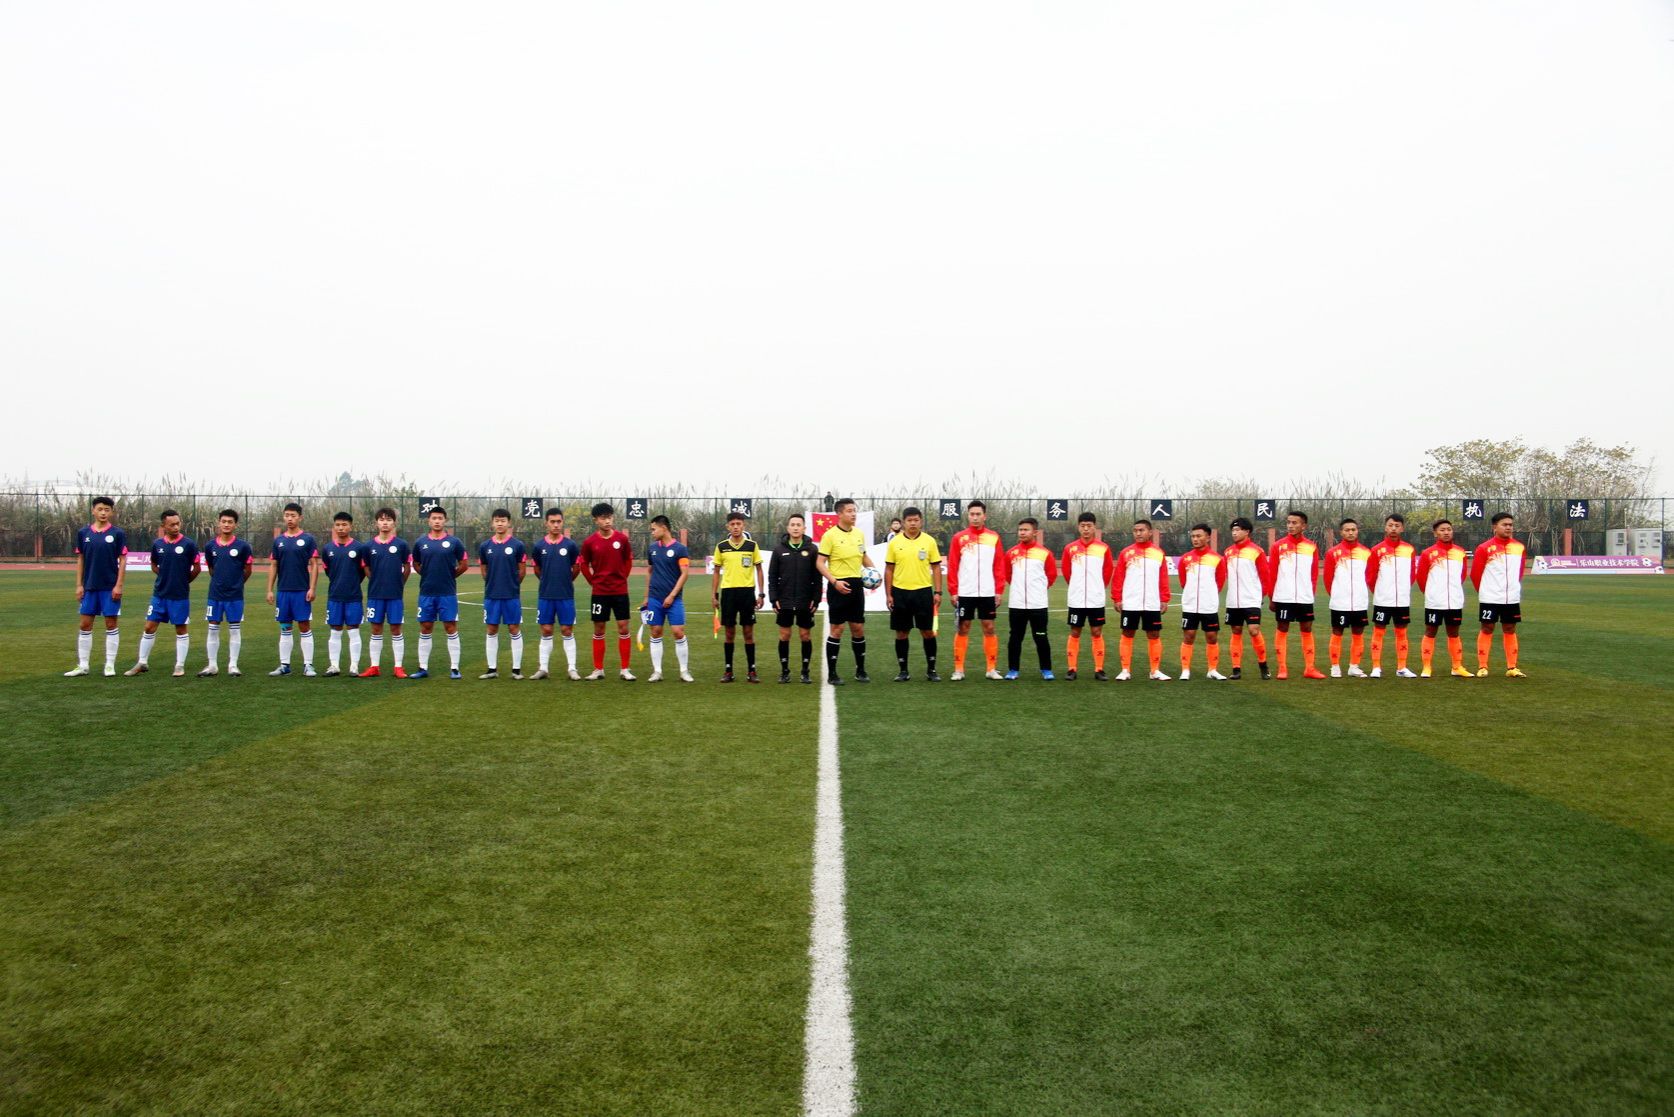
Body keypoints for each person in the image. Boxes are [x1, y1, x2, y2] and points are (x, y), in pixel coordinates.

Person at [124, 509, 199, 677]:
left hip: (179, 595)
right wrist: (164, 576)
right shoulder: (158, 544)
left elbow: (197, 568)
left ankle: (179, 666)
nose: (176, 527)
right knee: (149, 627)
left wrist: (183, 581)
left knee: (181, 629)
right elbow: (153, 564)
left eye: (178, 523)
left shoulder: (188, 544)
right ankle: (142, 662)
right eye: (172, 525)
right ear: (164, 526)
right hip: (159, 594)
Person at [815, 497, 878, 685]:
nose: (853, 514)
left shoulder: (858, 534)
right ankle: (832, 674)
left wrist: (875, 574)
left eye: (854, 510)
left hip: (857, 586)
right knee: (837, 629)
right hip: (838, 586)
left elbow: (863, 557)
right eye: (849, 511)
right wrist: (835, 582)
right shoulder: (830, 536)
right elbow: (820, 563)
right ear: (839, 514)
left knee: (858, 628)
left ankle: (861, 670)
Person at [65, 496, 127, 678]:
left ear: (112, 512)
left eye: (107, 510)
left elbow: (123, 560)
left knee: (111, 624)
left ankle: (109, 665)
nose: (103, 513)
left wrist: (119, 585)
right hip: (89, 586)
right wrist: (79, 585)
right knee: (85, 624)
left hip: (109, 586)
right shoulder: (83, 533)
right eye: (100, 509)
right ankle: (83, 665)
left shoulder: (117, 533)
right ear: (93, 511)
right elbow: (81, 559)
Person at [946, 500, 1007, 681]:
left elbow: (999, 565)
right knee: (963, 627)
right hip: (966, 592)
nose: (975, 517)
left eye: (978, 514)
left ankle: (991, 669)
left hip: (987, 592)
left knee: (989, 627)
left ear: (984, 516)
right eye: (972, 514)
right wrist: (954, 590)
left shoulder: (993, 537)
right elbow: (953, 565)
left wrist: (998, 590)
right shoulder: (959, 538)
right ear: (968, 516)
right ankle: (958, 670)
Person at [884, 506, 943, 681]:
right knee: (902, 632)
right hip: (900, 593)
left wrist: (938, 591)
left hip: (923, 592)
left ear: (921, 521)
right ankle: (903, 671)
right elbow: (889, 569)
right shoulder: (894, 542)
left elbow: (936, 567)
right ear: (903, 522)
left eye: (916, 520)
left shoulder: (929, 541)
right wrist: (889, 594)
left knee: (928, 632)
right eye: (909, 520)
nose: (913, 523)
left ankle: (931, 670)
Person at [579, 501, 636, 681]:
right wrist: (593, 582)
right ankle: (598, 669)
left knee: (623, 627)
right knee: (599, 628)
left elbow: (628, 560)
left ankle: (625, 669)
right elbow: (583, 564)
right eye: (603, 518)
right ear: (596, 520)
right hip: (600, 593)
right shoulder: (589, 542)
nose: (607, 521)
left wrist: (623, 578)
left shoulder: (622, 539)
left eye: (610, 517)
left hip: (620, 591)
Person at [411, 505, 468, 679]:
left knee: (450, 627)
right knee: (425, 627)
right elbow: (416, 563)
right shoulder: (421, 542)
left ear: (445, 520)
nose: (437, 521)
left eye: (440, 518)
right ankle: (422, 668)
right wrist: (427, 575)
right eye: (434, 518)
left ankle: (455, 668)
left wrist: (450, 576)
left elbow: (463, 564)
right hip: (427, 592)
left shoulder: (454, 542)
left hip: (447, 593)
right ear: (429, 521)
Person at [1270, 510, 1325, 680]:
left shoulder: (1311, 547)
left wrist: (1310, 594)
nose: (1290, 526)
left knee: (1306, 628)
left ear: (1304, 526)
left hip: (1304, 597)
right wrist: (1272, 597)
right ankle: (1282, 668)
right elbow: (1272, 573)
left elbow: (1314, 574)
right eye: (1288, 522)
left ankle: (1310, 668)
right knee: (1282, 628)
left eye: (1295, 523)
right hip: (1283, 596)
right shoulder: (1278, 546)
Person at [265, 501, 319, 677]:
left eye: (293, 516)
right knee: (285, 627)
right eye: (287, 515)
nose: (289, 519)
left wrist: (312, 588)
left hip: (301, 591)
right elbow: (274, 565)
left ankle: (308, 665)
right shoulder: (279, 541)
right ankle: (284, 665)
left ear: (300, 517)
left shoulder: (308, 539)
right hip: (283, 591)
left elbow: (314, 565)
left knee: (304, 626)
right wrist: (270, 589)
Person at [1471, 511, 1528, 678]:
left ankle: (1512, 667)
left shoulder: (1519, 547)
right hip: (1490, 597)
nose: (1508, 527)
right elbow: (1475, 574)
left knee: (1510, 628)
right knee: (1487, 627)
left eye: (1510, 525)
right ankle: (1482, 666)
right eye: (1505, 525)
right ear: (1495, 527)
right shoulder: (1484, 548)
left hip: (1511, 597)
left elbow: (1519, 572)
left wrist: (1513, 588)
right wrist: (1485, 592)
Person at [197, 508, 253, 677]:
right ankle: (212, 665)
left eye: (230, 522)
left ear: (235, 525)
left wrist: (236, 583)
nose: (226, 524)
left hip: (235, 596)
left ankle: (233, 665)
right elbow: (211, 568)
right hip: (215, 595)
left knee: (234, 629)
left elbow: (247, 570)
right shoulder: (210, 546)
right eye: (224, 521)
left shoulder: (243, 547)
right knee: (213, 628)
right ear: (219, 523)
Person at [1113, 519, 1171, 681]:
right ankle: (1125, 670)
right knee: (1127, 632)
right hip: (1131, 602)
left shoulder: (1158, 553)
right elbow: (1118, 577)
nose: (1138, 533)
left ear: (1150, 532)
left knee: (1154, 634)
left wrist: (1164, 598)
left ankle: (1155, 671)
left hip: (1152, 602)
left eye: (1142, 530)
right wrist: (1117, 597)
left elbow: (1163, 578)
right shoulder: (1126, 552)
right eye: (1135, 530)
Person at [712, 511, 766, 682]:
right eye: (732, 524)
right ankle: (728, 671)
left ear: (743, 526)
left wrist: (761, 594)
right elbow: (716, 571)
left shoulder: (752, 546)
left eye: (739, 524)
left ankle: (752, 671)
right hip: (728, 593)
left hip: (747, 593)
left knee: (748, 632)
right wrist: (714, 595)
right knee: (729, 633)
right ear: (728, 527)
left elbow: (759, 570)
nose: (736, 527)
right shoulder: (721, 547)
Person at [769, 513, 822, 683]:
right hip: (784, 600)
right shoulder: (779, 550)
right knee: (784, 635)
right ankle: (785, 671)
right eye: (792, 524)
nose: (795, 527)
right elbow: (772, 576)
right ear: (788, 528)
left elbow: (818, 577)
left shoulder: (812, 549)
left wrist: (816, 598)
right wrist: (773, 598)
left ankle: (805, 671)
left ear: (804, 528)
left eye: (799, 525)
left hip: (804, 600)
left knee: (805, 635)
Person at [530, 508, 582, 680]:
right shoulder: (539, 546)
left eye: (559, 521)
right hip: (546, 595)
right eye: (552, 522)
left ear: (562, 522)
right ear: (546, 523)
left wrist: (566, 580)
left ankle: (572, 668)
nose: (556, 525)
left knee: (567, 630)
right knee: (546, 630)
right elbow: (537, 569)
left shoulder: (570, 545)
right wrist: (547, 580)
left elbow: (576, 568)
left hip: (565, 595)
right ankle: (543, 668)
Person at [1061, 512, 1114, 681]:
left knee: (1096, 631)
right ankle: (1072, 669)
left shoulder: (1103, 548)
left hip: (1095, 598)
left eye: (1089, 526)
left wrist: (1097, 588)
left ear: (1094, 527)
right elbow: (1067, 572)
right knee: (1075, 631)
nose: (1086, 529)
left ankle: (1099, 669)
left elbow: (1107, 571)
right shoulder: (1070, 548)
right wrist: (1076, 586)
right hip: (1076, 598)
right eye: (1083, 526)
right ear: (1078, 527)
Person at [1415, 519, 1472, 679]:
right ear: (1435, 533)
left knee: (1454, 633)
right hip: (1435, 602)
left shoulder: (1460, 552)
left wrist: (1454, 591)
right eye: (1442, 530)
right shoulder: (1428, 553)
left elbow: (1462, 575)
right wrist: (1432, 593)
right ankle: (1427, 667)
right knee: (1430, 631)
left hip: (1454, 601)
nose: (1446, 532)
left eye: (1449, 529)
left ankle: (1457, 666)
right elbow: (1421, 578)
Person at [476, 508, 527, 679]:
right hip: (492, 595)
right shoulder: (485, 546)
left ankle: (516, 669)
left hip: (511, 595)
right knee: (491, 629)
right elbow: (484, 569)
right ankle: (492, 669)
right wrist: (492, 582)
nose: (500, 524)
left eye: (503, 521)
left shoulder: (517, 545)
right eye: (497, 521)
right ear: (492, 523)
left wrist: (512, 585)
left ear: (508, 523)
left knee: (514, 628)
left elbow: (522, 571)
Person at [360, 507, 411, 679]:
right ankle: (374, 666)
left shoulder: (401, 545)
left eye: (388, 520)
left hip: (395, 595)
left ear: (394, 523)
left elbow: (407, 567)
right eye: (381, 520)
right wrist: (375, 580)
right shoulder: (368, 546)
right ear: (376, 523)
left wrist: (399, 583)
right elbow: (366, 567)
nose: (385, 523)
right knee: (376, 629)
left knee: (396, 629)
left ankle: (398, 667)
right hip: (375, 595)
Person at [1003, 517, 1056, 680]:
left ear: (1035, 532)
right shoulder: (1011, 553)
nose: (1022, 533)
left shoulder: (1045, 553)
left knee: (1041, 637)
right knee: (1015, 638)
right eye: (1020, 530)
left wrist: (1038, 590)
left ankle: (1046, 669)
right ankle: (1013, 670)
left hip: (1038, 604)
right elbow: (1008, 575)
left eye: (1026, 530)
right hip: (1017, 604)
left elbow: (1051, 575)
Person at [1366, 513, 1419, 679]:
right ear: (1385, 527)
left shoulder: (1409, 549)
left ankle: (1402, 667)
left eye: (1397, 526)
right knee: (1379, 631)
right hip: (1383, 599)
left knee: (1401, 632)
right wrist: (1380, 592)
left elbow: (1411, 574)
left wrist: (1403, 590)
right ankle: (1376, 667)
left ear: (1402, 528)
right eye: (1390, 525)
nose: (1393, 529)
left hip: (1402, 600)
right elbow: (1371, 576)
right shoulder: (1377, 550)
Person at [643, 515, 693, 683]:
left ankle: (684, 671)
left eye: (653, 529)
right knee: (655, 632)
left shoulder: (680, 549)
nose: (652, 532)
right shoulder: (652, 548)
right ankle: (657, 671)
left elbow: (684, 574)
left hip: (674, 599)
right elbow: (649, 571)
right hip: (655, 598)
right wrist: (646, 596)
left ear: (663, 528)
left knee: (678, 632)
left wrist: (672, 595)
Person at [316, 512, 367, 677]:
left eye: (344, 525)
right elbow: (328, 571)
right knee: (335, 630)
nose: (341, 528)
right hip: (335, 596)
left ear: (350, 526)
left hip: (353, 597)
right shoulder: (328, 549)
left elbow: (362, 572)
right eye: (338, 525)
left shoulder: (359, 548)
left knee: (353, 630)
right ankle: (334, 666)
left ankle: (354, 666)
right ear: (334, 527)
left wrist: (351, 583)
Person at [1176, 523, 1227, 681]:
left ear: (1208, 537)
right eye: (1193, 536)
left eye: (1199, 536)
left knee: (1211, 636)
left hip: (1208, 605)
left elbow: (1219, 582)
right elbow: (1183, 581)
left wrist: (1209, 595)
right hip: (1190, 605)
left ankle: (1212, 670)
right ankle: (1185, 670)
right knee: (1189, 635)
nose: (1195, 539)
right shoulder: (1185, 559)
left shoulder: (1217, 559)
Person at [1223, 517, 1271, 680]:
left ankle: (1263, 665)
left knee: (1253, 630)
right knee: (1236, 631)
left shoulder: (1257, 551)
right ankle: (1236, 669)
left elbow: (1265, 576)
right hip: (1233, 600)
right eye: (1233, 530)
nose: (1234, 533)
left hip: (1251, 599)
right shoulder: (1228, 552)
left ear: (1247, 531)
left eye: (1238, 530)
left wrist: (1260, 596)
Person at [1323, 519, 1372, 678]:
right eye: (1347, 530)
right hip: (1340, 602)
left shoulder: (1366, 552)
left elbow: (1369, 576)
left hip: (1359, 602)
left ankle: (1354, 666)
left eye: (1353, 529)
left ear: (1357, 531)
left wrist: (1362, 593)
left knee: (1358, 632)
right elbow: (1328, 579)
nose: (1350, 532)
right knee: (1337, 632)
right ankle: (1335, 666)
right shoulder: (1333, 553)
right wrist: (1336, 595)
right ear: (1341, 532)